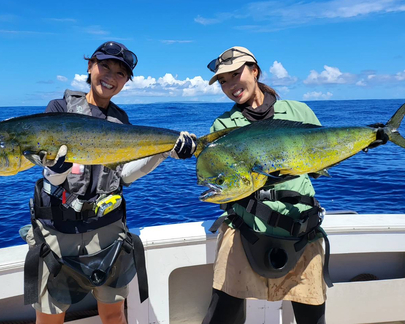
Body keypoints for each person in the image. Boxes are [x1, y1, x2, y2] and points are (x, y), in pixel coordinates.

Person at [21, 41, 196, 324]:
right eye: (105, 66)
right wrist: (56, 172)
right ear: (90, 66)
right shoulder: (59, 109)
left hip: (107, 230)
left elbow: (123, 175)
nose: (111, 76)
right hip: (58, 231)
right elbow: (49, 173)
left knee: (114, 314)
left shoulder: (120, 120)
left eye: (121, 73)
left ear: (126, 81)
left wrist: (165, 151)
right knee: (51, 318)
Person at [201, 46, 331, 324]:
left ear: (255, 70)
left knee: (313, 318)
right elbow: (219, 179)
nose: (231, 85)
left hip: (301, 230)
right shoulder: (222, 126)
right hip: (244, 230)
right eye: (223, 81)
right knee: (221, 316)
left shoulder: (299, 111)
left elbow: (323, 164)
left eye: (236, 74)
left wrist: (363, 142)